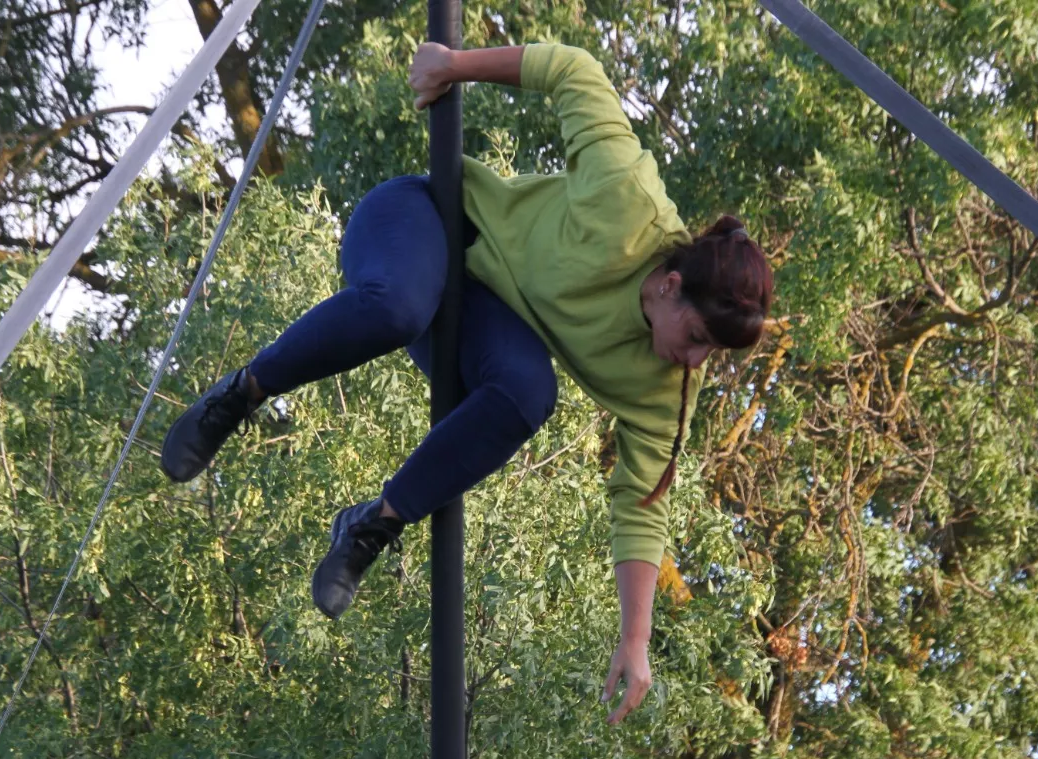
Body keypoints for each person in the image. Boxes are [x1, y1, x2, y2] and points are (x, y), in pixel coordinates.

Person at [158, 41, 772, 724]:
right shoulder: (626, 201)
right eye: (697, 338)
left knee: (530, 393)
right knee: (398, 306)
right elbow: (574, 71)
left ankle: (371, 526)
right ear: (670, 284)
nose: (694, 362)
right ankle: (239, 394)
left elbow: (642, 503)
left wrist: (635, 638)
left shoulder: (665, 390)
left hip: (478, 317)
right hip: (422, 223)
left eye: (711, 354)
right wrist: (454, 66)